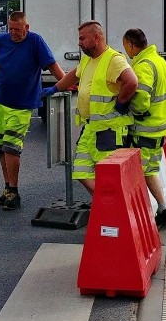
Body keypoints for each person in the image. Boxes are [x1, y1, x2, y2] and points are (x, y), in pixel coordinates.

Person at [0, 11, 65, 210]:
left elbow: (51, 65)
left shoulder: (35, 41)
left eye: (18, 29)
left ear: (27, 27)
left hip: (22, 104)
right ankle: (7, 188)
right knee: (1, 147)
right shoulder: (2, 40)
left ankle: (14, 192)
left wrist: (66, 82)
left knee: (11, 147)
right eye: (11, 29)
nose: (14, 33)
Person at [42, 21, 138, 196]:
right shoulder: (87, 58)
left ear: (96, 38)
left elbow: (131, 81)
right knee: (80, 171)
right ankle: (107, 204)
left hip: (109, 130)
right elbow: (74, 74)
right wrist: (56, 88)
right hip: (91, 128)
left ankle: (112, 209)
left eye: (82, 38)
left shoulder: (113, 59)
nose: (79, 43)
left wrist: (121, 103)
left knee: (109, 175)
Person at [121, 28, 166, 227]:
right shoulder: (159, 61)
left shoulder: (143, 65)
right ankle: (163, 208)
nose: (125, 50)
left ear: (131, 45)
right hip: (159, 129)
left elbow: (141, 99)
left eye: (125, 45)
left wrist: (129, 109)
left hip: (144, 130)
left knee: (137, 176)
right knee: (149, 171)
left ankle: (140, 220)